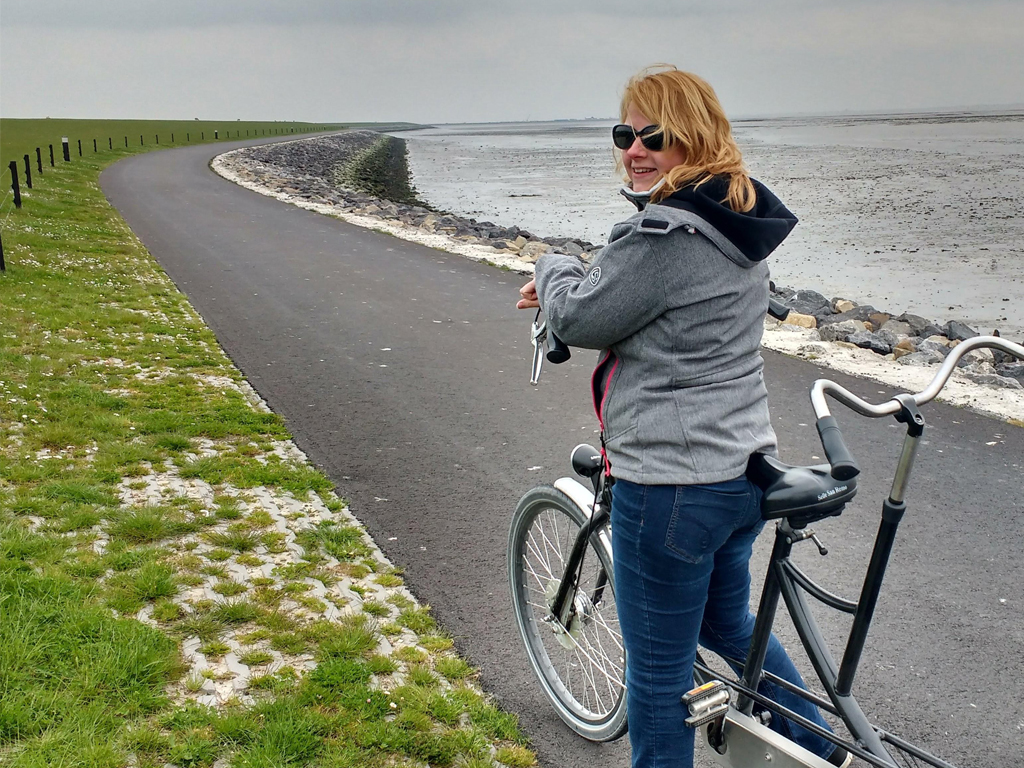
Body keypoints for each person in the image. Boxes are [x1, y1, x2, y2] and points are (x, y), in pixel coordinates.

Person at [516, 65, 851, 768]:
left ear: (693, 136)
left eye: (654, 135)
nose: (634, 149)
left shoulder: (668, 234)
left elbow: (580, 314)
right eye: (624, 134)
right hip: (740, 475)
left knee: (659, 677)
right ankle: (822, 752)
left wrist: (550, 265)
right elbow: (657, 318)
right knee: (728, 624)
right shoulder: (739, 223)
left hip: (670, 488)